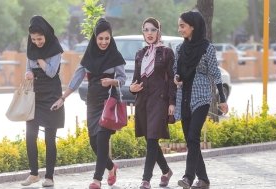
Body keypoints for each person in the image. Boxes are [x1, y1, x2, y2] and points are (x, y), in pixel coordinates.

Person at [51, 18, 126, 189]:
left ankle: (96, 179)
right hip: (92, 103)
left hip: (108, 103)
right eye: (100, 38)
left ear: (111, 38)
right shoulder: (88, 56)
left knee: (101, 140)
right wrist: (63, 98)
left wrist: (112, 82)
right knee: (93, 142)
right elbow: (76, 79)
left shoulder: (115, 56)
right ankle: (111, 167)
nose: (104, 42)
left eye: (107, 38)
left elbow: (122, 79)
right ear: (95, 38)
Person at [174, 11, 229, 189]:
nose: (179, 29)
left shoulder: (207, 48)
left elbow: (216, 73)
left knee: (193, 136)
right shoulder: (179, 49)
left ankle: (188, 177)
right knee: (190, 140)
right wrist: (176, 77)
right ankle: (203, 179)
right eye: (179, 26)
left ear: (193, 26)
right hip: (184, 97)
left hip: (201, 97)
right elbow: (176, 70)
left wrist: (222, 98)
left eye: (182, 26)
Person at [129, 17, 176, 189]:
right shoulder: (140, 54)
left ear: (158, 32)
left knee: (151, 140)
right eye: (146, 30)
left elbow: (171, 79)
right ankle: (166, 171)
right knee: (151, 140)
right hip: (142, 100)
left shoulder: (166, 53)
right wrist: (131, 88)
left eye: (153, 30)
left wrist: (172, 102)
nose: (149, 33)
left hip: (160, 100)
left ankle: (145, 179)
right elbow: (135, 80)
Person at [21, 15, 65, 187]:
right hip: (35, 97)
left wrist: (39, 60)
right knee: (30, 136)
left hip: (52, 96)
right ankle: (33, 174)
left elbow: (52, 72)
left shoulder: (55, 48)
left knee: (49, 138)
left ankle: (49, 177)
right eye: (33, 39)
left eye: (39, 38)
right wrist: (29, 74)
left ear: (46, 34)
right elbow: (28, 70)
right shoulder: (31, 48)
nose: (37, 42)